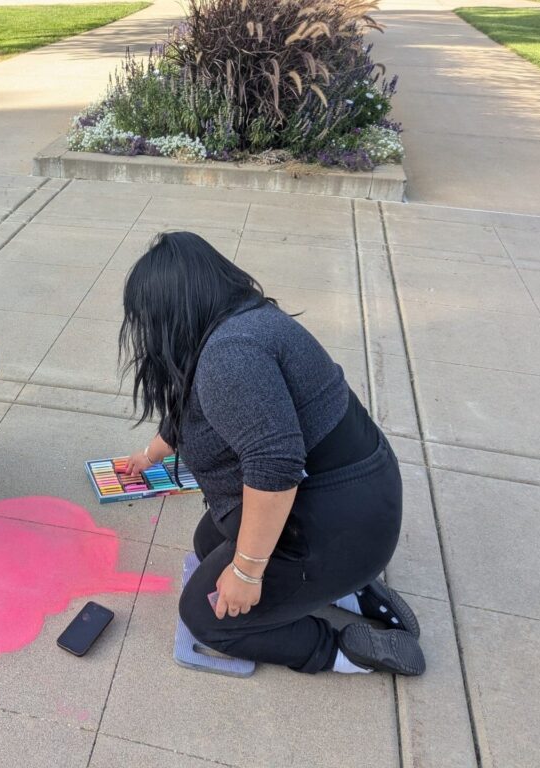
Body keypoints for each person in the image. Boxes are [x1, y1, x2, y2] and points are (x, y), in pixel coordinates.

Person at [120, 231, 425, 676]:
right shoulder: (241, 322)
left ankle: (342, 652)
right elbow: (193, 409)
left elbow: (275, 466)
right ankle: (349, 589)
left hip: (340, 524)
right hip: (354, 503)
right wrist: (151, 454)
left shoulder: (230, 356)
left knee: (208, 616)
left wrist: (247, 572)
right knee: (209, 543)